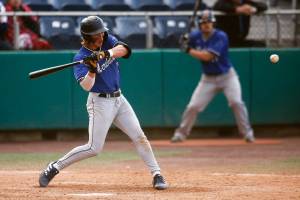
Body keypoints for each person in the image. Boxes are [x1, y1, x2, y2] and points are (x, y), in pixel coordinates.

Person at [38, 16, 168, 190]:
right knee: (94, 148)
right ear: (88, 37)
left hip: (119, 99)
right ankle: (54, 167)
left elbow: (125, 50)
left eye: (101, 33)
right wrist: (92, 70)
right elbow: (87, 86)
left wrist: (107, 53)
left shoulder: (106, 41)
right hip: (99, 102)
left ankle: (157, 174)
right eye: (97, 34)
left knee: (139, 136)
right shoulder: (81, 58)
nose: (102, 35)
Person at [171, 10, 255, 143]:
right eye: (203, 22)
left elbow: (208, 57)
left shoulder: (221, 36)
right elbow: (181, 41)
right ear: (199, 24)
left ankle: (247, 133)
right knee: (193, 106)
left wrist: (188, 49)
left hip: (228, 77)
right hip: (208, 79)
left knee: (236, 102)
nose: (206, 24)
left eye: (209, 21)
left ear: (213, 23)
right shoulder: (195, 36)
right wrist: (183, 39)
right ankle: (181, 134)